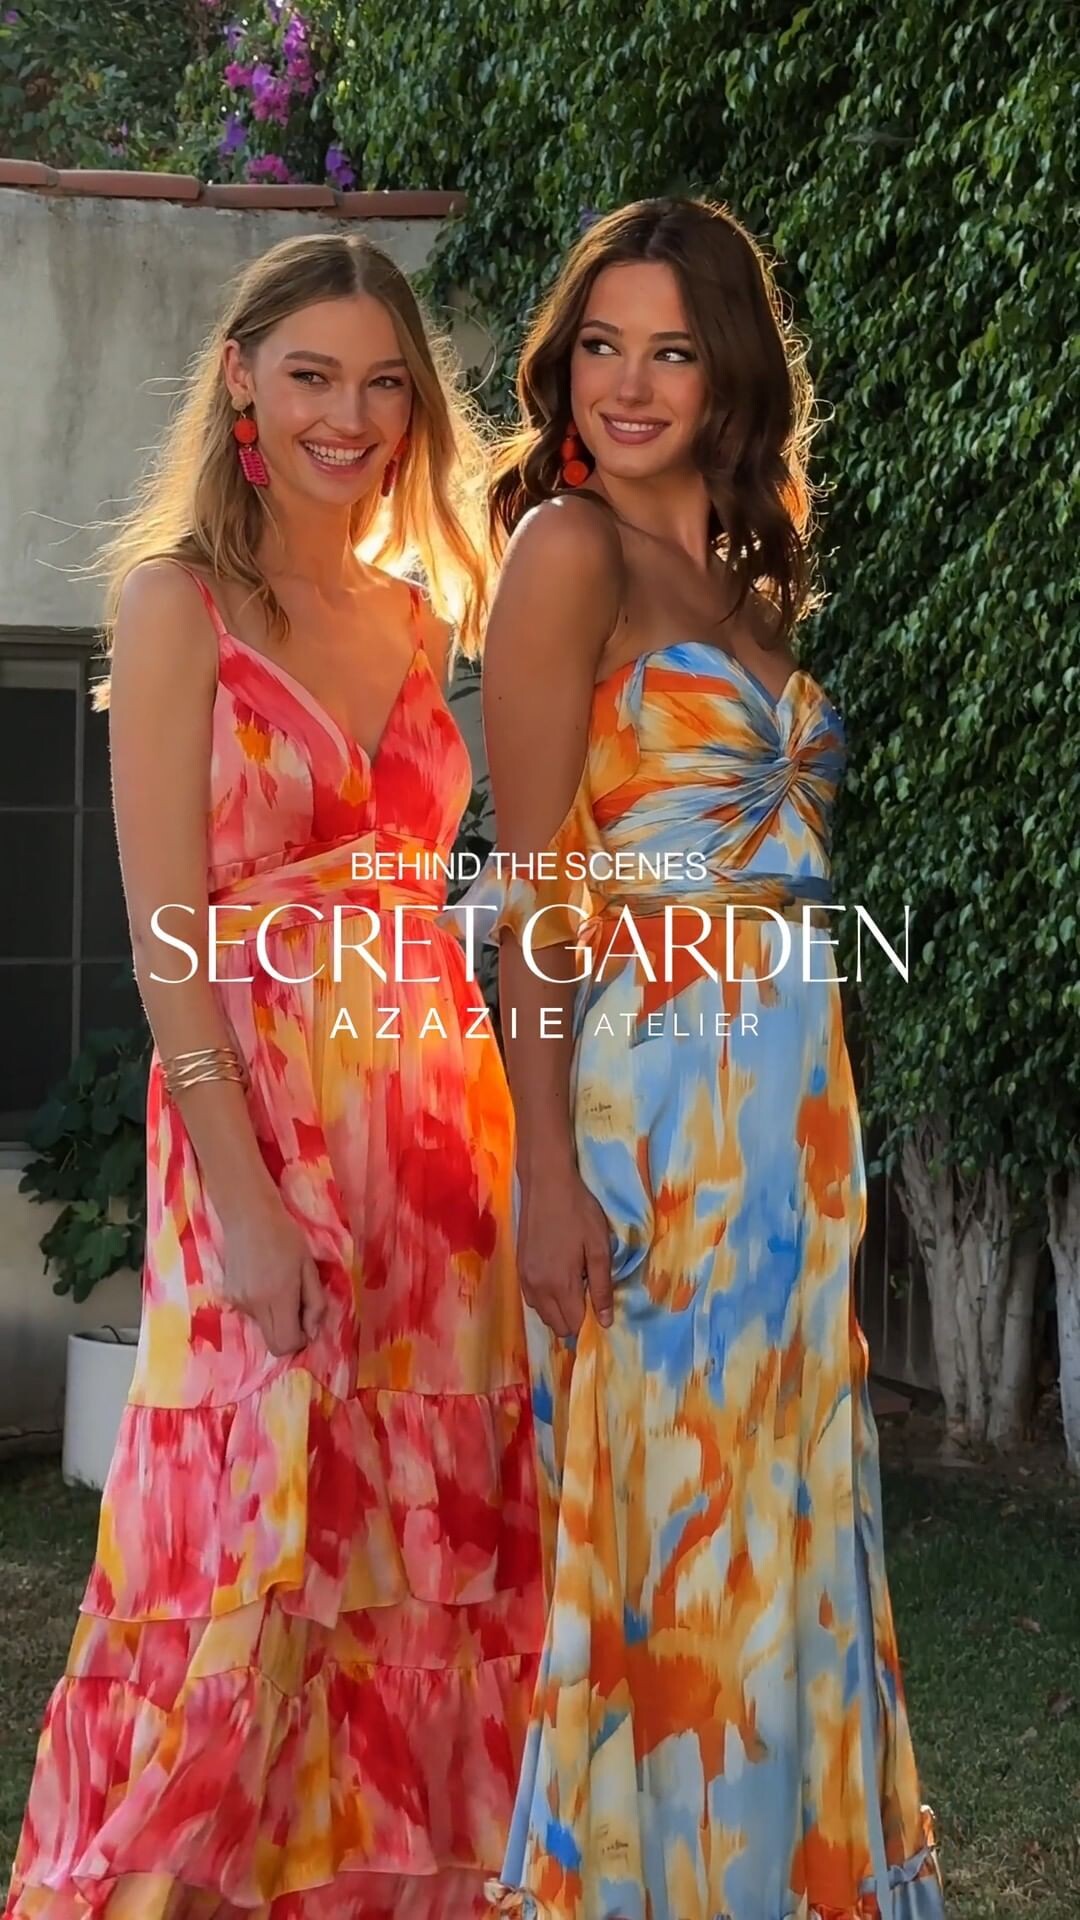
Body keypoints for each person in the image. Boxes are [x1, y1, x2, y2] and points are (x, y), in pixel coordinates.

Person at [5, 232, 544, 1920]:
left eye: (383, 385)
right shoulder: (175, 605)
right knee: (235, 1551)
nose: (349, 417)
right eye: (312, 375)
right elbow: (165, 939)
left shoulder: (421, 611)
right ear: (241, 376)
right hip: (262, 1137)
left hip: (437, 1145)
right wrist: (240, 1197)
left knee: (418, 1563)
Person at [467, 197, 945, 1920]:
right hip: (656, 1122)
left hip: (793, 1129)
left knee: (789, 1522)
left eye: (670, 350)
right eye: (601, 345)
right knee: (676, 1554)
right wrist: (545, 1171)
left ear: (729, 373)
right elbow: (533, 900)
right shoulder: (567, 555)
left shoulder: (751, 583)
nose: (628, 383)